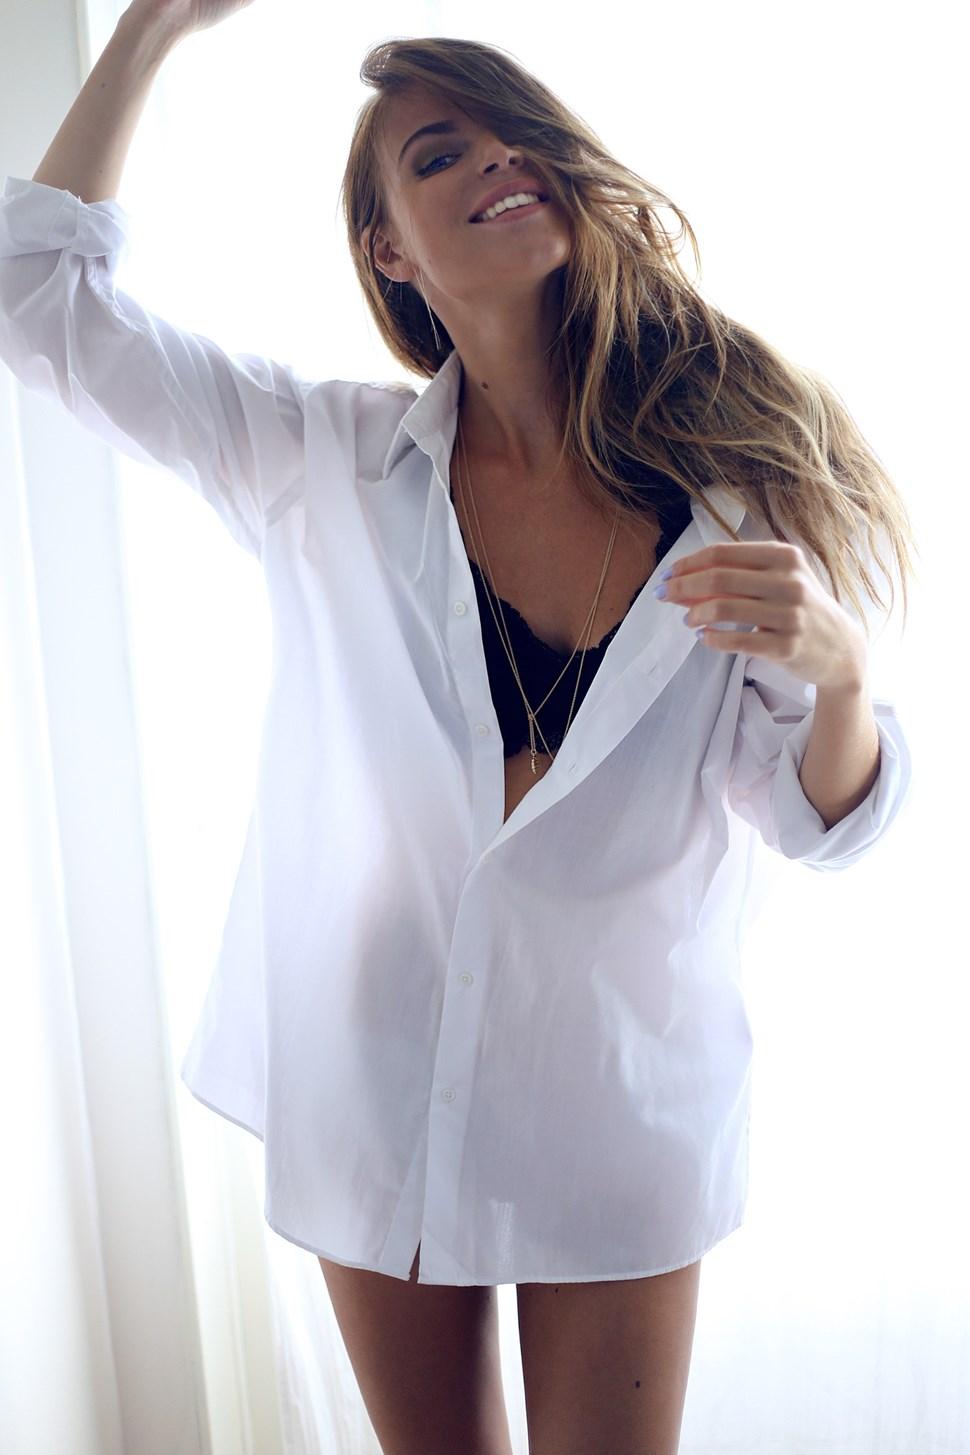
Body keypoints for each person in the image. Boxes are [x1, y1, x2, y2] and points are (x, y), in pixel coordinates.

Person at [0, 4, 917, 1453]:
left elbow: (821, 829)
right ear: (389, 251)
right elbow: (34, 296)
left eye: (512, 137)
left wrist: (842, 675)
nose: (495, 162)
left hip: (616, 1089)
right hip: (380, 1060)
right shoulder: (320, 457)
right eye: (438, 156)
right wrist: (152, 30)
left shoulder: (735, 494)